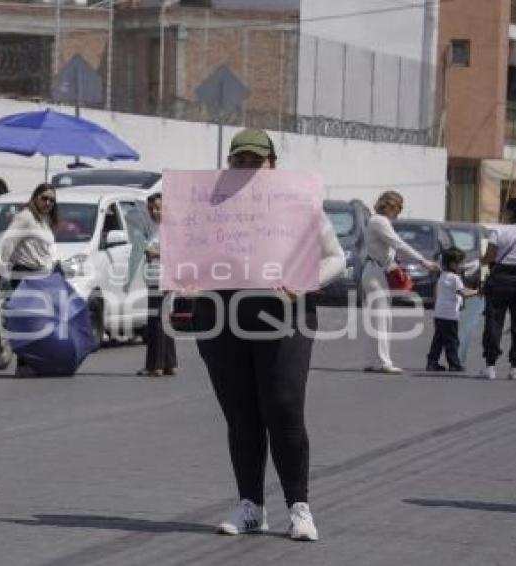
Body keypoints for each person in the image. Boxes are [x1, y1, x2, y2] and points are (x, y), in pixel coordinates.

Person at [194, 129, 345, 542]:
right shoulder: (209, 203)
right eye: (239, 160)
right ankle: (251, 508)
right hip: (222, 314)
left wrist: (300, 283)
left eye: (255, 161)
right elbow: (180, 250)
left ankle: (299, 508)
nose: (246, 168)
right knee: (240, 413)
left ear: (272, 164)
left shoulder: (297, 203)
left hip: (285, 313)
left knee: (282, 407)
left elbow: (336, 258)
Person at [362, 191, 439, 374]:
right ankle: (383, 362)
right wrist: (423, 261)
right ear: (388, 206)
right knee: (382, 318)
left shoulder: (377, 221)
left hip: (377, 270)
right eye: (398, 207)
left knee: (377, 318)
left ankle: (375, 360)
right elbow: (399, 244)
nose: (399, 212)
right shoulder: (380, 221)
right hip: (376, 272)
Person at [0, 183, 58, 377]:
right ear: (35, 197)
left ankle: (33, 363)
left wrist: (56, 265)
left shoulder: (42, 220)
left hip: (41, 276)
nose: (47, 203)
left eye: (51, 200)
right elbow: (7, 243)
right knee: (27, 323)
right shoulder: (25, 217)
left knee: (38, 322)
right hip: (25, 275)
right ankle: (23, 365)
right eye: (44, 198)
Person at [480, 197, 516, 380]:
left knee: (494, 321)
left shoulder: (498, 230)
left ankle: (490, 365)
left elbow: (489, 257)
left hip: (499, 278)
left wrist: (481, 261)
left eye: (505, 209)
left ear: (510, 213)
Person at [137, 193, 177, 377]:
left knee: (157, 321)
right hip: (154, 278)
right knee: (162, 320)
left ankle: (156, 365)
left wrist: (152, 251)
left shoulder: (168, 229)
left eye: (158, 208)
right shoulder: (153, 227)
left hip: (163, 278)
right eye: (151, 208)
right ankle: (169, 363)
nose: (154, 211)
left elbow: (173, 252)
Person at [426, 248, 479, 372]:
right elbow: (463, 293)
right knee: (452, 341)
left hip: (439, 314)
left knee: (438, 340)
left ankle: (432, 362)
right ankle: (454, 364)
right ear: (452, 264)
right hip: (450, 315)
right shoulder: (454, 278)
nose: (462, 266)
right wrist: (478, 291)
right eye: (460, 263)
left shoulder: (443, 276)